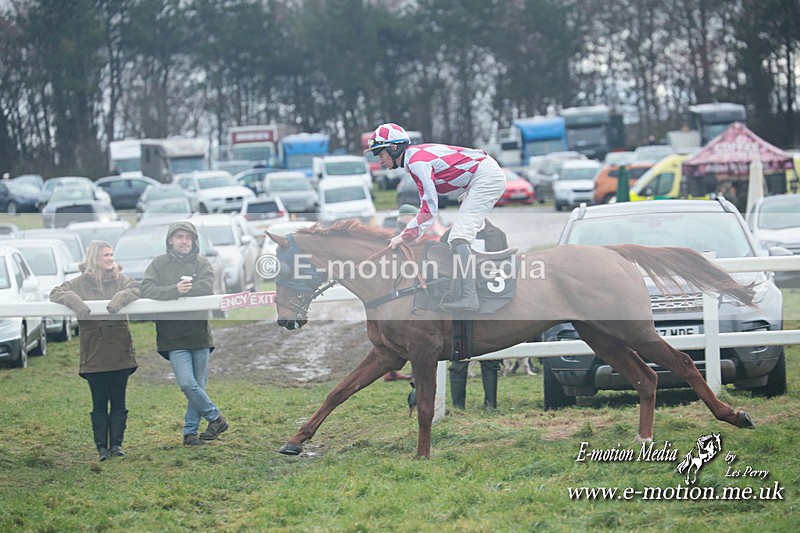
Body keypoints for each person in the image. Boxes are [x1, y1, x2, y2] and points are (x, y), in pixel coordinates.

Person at [365, 123, 506, 312]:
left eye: (380, 154)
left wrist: (404, 236)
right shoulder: (413, 159)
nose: (379, 160)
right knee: (453, 238)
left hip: (485, 178)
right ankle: (463, 289)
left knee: (459, 237)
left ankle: (470, 297)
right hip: (478, 178)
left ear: (394, 148)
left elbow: (429, 211)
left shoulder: (417, 163)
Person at [50, 240, 140, 460]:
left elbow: (137, 289)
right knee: (99, 401)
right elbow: (56, 293)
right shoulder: (78, 283)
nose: (110, 259)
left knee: (119, 399)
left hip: (120, 350)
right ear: (94, 258)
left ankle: (116, 445)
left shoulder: (122, 280)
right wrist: (77, 304)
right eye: (105, 255)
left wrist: (118, 299)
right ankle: (101, 448)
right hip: (94, 353)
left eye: (111, 254)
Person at [141, 221, 229, 446]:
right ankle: (216, 418)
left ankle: (190, 434)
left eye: (188, 237)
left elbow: (207, 287)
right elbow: (147, 289)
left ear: (194, 241)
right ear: (171, 240)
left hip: (199, 335)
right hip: (172, 337)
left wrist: (184, 291)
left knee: (197, 387)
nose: (184, 241)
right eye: (179, 237)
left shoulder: (202, 263)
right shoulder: (158, 264)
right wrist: (174, 290)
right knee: (187, 384)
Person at [440, 219, 508, 411]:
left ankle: (491, 405)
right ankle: (458, 407)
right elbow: (441, 264)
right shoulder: (450, 235)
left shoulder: (496, 235)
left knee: (491, 356)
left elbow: (506, 266)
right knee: (458, 355)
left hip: (489, 299)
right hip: (460, 302)